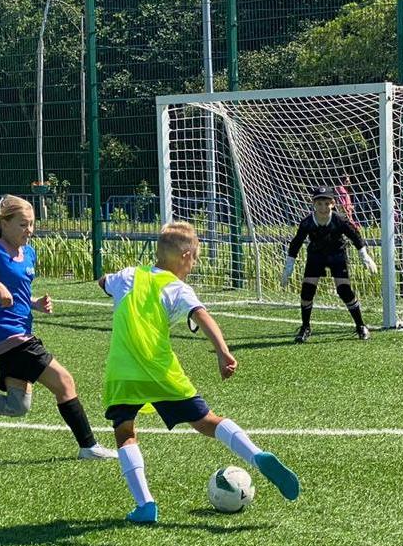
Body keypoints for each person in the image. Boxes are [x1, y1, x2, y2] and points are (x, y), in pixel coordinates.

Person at [99, 221, 301, 524]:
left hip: (122, 373)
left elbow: (103, 281)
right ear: (184, 256)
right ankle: (256, 455)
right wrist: (222, 351)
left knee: (125, 432)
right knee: (206, 421)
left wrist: (112, 288)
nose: (194, 264)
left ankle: (145, 505)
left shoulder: (128, 275)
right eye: (194, 258)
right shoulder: (177, 288)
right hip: (161, 372)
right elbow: (202, 316)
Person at [0, 195, 116, 461]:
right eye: (22, 224)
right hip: (11, 338)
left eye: (31, 224)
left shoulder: (28, 253)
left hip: (18, 336)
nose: (29, 230)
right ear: (4, 224)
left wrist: (35, 304)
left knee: (17, 405)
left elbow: (17, 294)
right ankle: (88, 446)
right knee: (64, 382)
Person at [282, 186, 378, 343]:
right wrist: (289, 266)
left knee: (344, 290)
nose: (323, 207)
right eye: (319, 203)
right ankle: (305, 327)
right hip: (316, 256)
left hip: (337, 255)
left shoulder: (339, 220)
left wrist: (364, 256)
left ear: (333, 203)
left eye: (326, 203)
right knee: (307, 291)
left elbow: (355, 236)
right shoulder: (307, 222)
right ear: (314, 204)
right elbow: (296, 243)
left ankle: (360, 325)